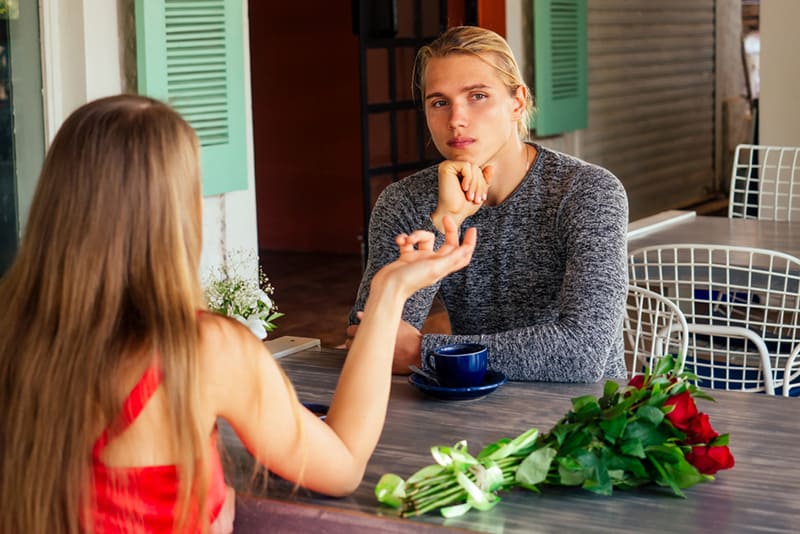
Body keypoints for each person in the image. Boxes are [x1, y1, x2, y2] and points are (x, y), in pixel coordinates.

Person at [0, 95, 477, 534]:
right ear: (176, 212)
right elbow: (343, 465)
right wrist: (389, 293)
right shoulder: (204, 349)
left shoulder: (12, 330)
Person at [347, 26, 629, 382]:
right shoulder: (405, 201)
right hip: (461, 404)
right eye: (439, 102)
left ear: (517, 102)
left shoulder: (586, 191)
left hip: (583, 415)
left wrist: (428, 352)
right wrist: (442, 223)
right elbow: (369, 339)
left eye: (477, 96)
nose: (456, 119)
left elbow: (584, 352)